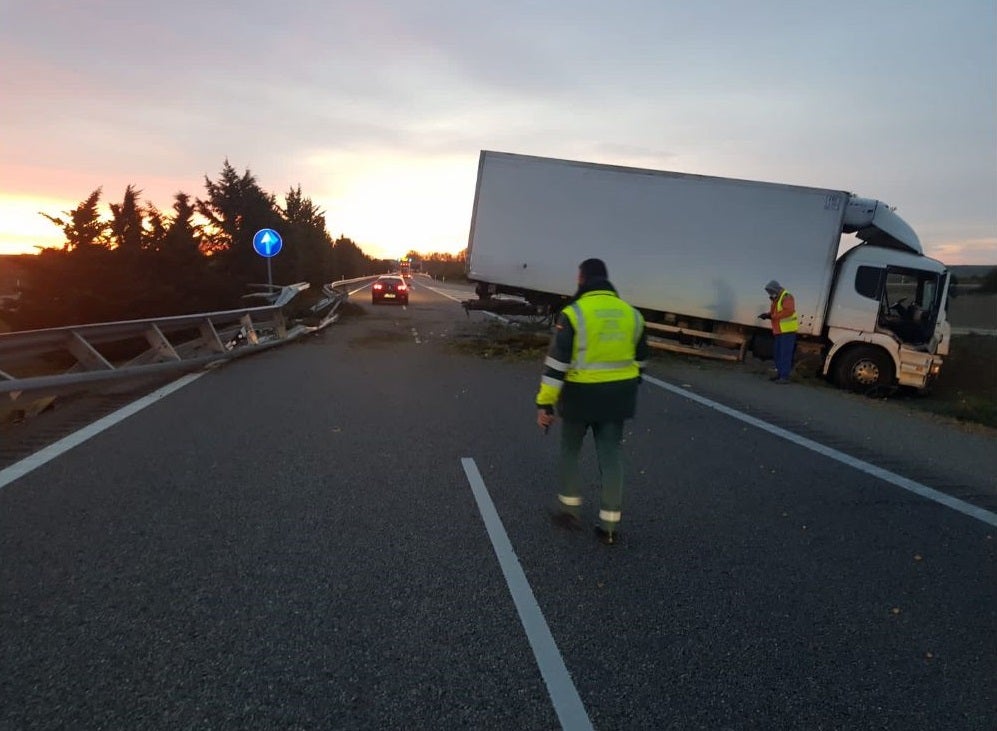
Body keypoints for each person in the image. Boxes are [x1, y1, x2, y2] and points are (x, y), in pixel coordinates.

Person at [535, 258, 650, 545]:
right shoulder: (633, 315)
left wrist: (545, 404)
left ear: (582, 279)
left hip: (580, 397)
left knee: (570, 451)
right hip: (618, 398)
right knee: (611, 456)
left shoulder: (574, 314)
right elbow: (641, 361)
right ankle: (609, 526)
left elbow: (556, 366)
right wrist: (627, 385)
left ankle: (569, 511)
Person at [758, 279, 798, 384]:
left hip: (787, 331)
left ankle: (784, 377)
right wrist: (767, 315)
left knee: (784, 354)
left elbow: (788, 311)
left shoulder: (787, 297)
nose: (770, 293)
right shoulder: (777, 298)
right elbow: (774, 312)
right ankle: (780, 374)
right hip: (780, 331)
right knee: (778, 354)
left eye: (770, 291)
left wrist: (772, 316)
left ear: (775, 289)